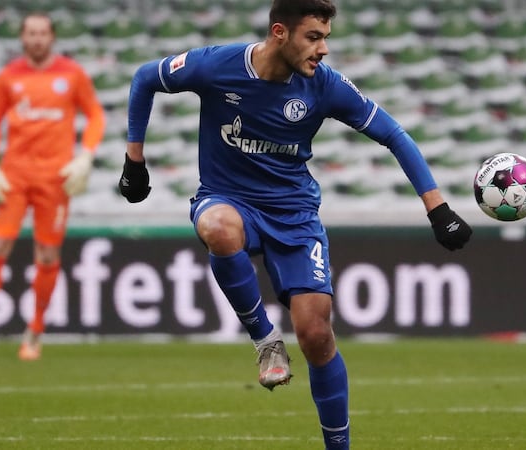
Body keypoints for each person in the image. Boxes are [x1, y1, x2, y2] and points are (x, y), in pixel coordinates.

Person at [118, 0, 471, 447]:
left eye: (326, 38)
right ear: (280, 33)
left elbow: (394, 134)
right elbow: (145, 77)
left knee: (316, 335)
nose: (323, 49)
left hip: (295, 215)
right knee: (218, 229)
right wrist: (134, 161)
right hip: (228, 198)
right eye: (314, 37)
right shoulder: (216, 66)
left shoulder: (324, 87)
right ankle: (265, 340)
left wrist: (437, 209)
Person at [0, 12, 106, 360]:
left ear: (52, 37)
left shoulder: (72, 74)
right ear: (23, 37)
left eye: (42, 33)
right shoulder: (8, 77)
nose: (37, 38)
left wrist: (85, 156)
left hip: (54, 178)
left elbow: (96, 116)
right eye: (31, 33)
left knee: (47, 254)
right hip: (14, 175)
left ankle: (34, 332)